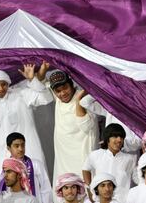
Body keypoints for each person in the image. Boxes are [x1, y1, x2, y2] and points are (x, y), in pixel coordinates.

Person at [46, 70, 99, 198]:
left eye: (65, 88)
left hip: (83, 158)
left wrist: (79, 101)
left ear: (72, 85)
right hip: (63, 161)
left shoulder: (84, 99)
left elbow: (88, 127)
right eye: (58, 91)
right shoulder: (59, 100)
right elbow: (43, 85)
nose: (62, 93)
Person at [82, 124, 136, 203]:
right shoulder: (96, 155)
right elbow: (85, 169)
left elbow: (138, 178)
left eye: (121, 137)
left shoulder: (129, 159)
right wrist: (90, 189)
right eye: (115, 136)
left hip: (121, 200)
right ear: (107, 139)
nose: (119, 140)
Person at [0, 132, 52, 203]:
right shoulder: (3, 169)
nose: (20, 149)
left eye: (22, 145)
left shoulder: (36, 164)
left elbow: (46, 189)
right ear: (8, 148)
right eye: (16, 146)